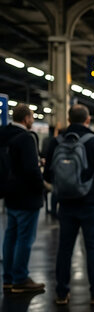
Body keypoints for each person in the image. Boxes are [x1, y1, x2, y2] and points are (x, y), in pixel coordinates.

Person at [43, 104, 94, 305]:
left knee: (65, 249)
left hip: (66, 204)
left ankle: (62, 293)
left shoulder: (57, 142)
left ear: (69, 120)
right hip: (92, 204)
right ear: (88, 119)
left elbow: (48, 174)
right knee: (93, 249)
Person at [0, 104, 45, 293]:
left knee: (10, 236)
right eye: (32, 117)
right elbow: (30, 170)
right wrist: (41, 187)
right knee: (24, 238)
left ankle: (8, 278)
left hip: (8, 193)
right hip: (27, 196)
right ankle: (20, 279)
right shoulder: (26, 138)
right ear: (26, 118)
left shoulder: (2, 133)